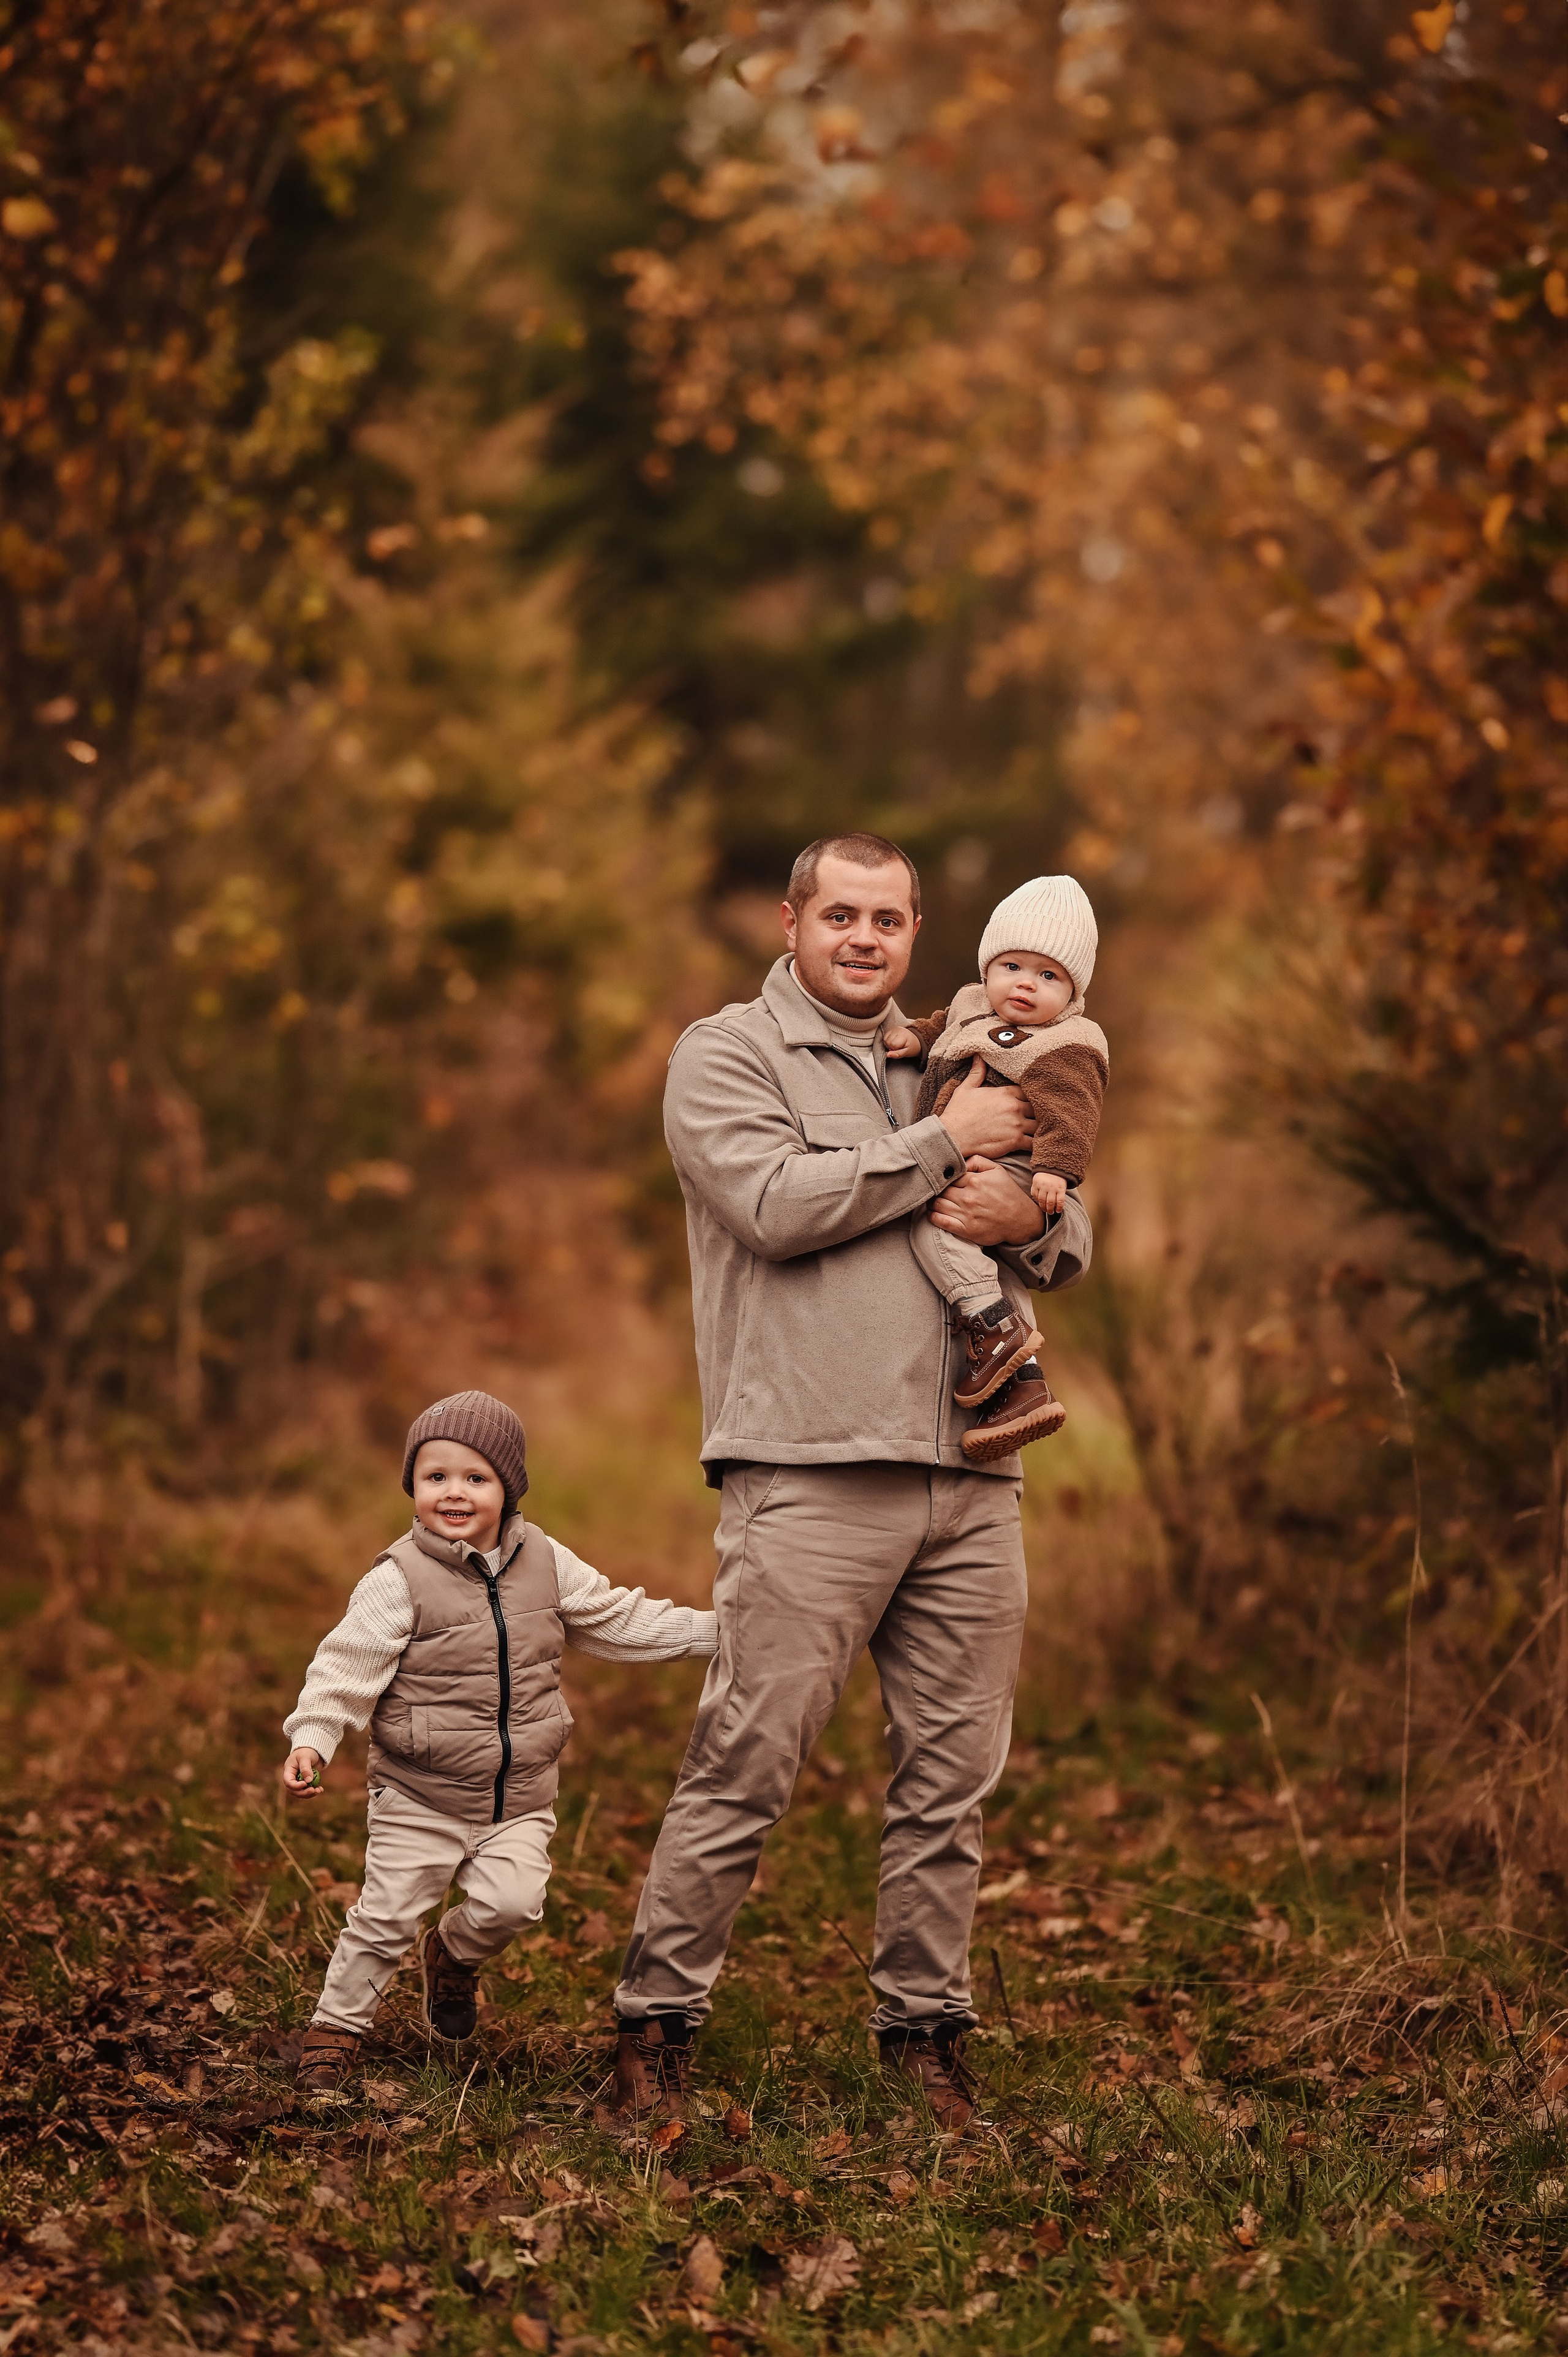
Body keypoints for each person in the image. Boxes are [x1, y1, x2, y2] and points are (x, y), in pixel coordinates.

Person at [607, 831, 1093, 2133]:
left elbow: (1067, 1212)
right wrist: (942, 1148)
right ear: (790, 921)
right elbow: (769, 1203)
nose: (865, 938)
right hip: (809, 1469)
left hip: (975, 1468)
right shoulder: (724, 1056)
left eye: (889, 918)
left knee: (951, 1775)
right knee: (747, 1757)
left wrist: (1036, 1216)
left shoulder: (961, 1043)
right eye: (841, 915)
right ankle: (654, 2026)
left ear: (914, 929)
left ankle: (922, 2037)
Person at [279, 1389, 715, 2094]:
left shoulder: (545, 1560)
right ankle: (335, 2030)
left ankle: (451, 1956)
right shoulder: (399, 1579)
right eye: (435, 1476)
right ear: (413, 1486)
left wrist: (712, 1633)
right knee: (384, 1917)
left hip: (518, 1795)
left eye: (475, 1477)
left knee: (512, 1904)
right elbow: (345, 1666)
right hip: (420, 1789)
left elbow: (617, 1617)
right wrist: (314, 1736)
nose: (454, 1492)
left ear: (508, 1487)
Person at [882, 873, 1107, 1454]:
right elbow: (947, 1029)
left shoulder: (1066, 1044)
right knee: (943, 1225)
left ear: (1073, 993)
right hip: (963, 1157)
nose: (1026, 986)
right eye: (1012, 967)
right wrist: (915, 1038)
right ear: (987, 970)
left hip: (1016, 1168)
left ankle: (994, 1326)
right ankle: (1019, 1387)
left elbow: (1073, 1110)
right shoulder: (972, 1006)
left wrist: (1056, 1170)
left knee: (941, 1231)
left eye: (1048, 975)